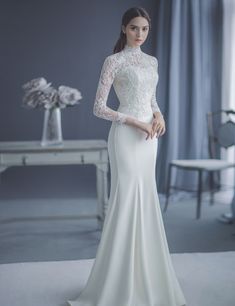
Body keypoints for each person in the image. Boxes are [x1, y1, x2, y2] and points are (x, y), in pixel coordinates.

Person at [67, 7, 187, 306]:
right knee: (126, 199)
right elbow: (99, 107)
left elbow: (151, 98)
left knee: (146, 198)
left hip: (150, 138)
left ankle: (146, 274)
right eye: (134, 28)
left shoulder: (152, 61)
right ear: (123, 29)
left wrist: (159, 115)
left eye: (144, 29)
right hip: (126, 137)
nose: (139, 34)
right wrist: (135, 121)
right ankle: (117, 281)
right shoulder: (114, 61)